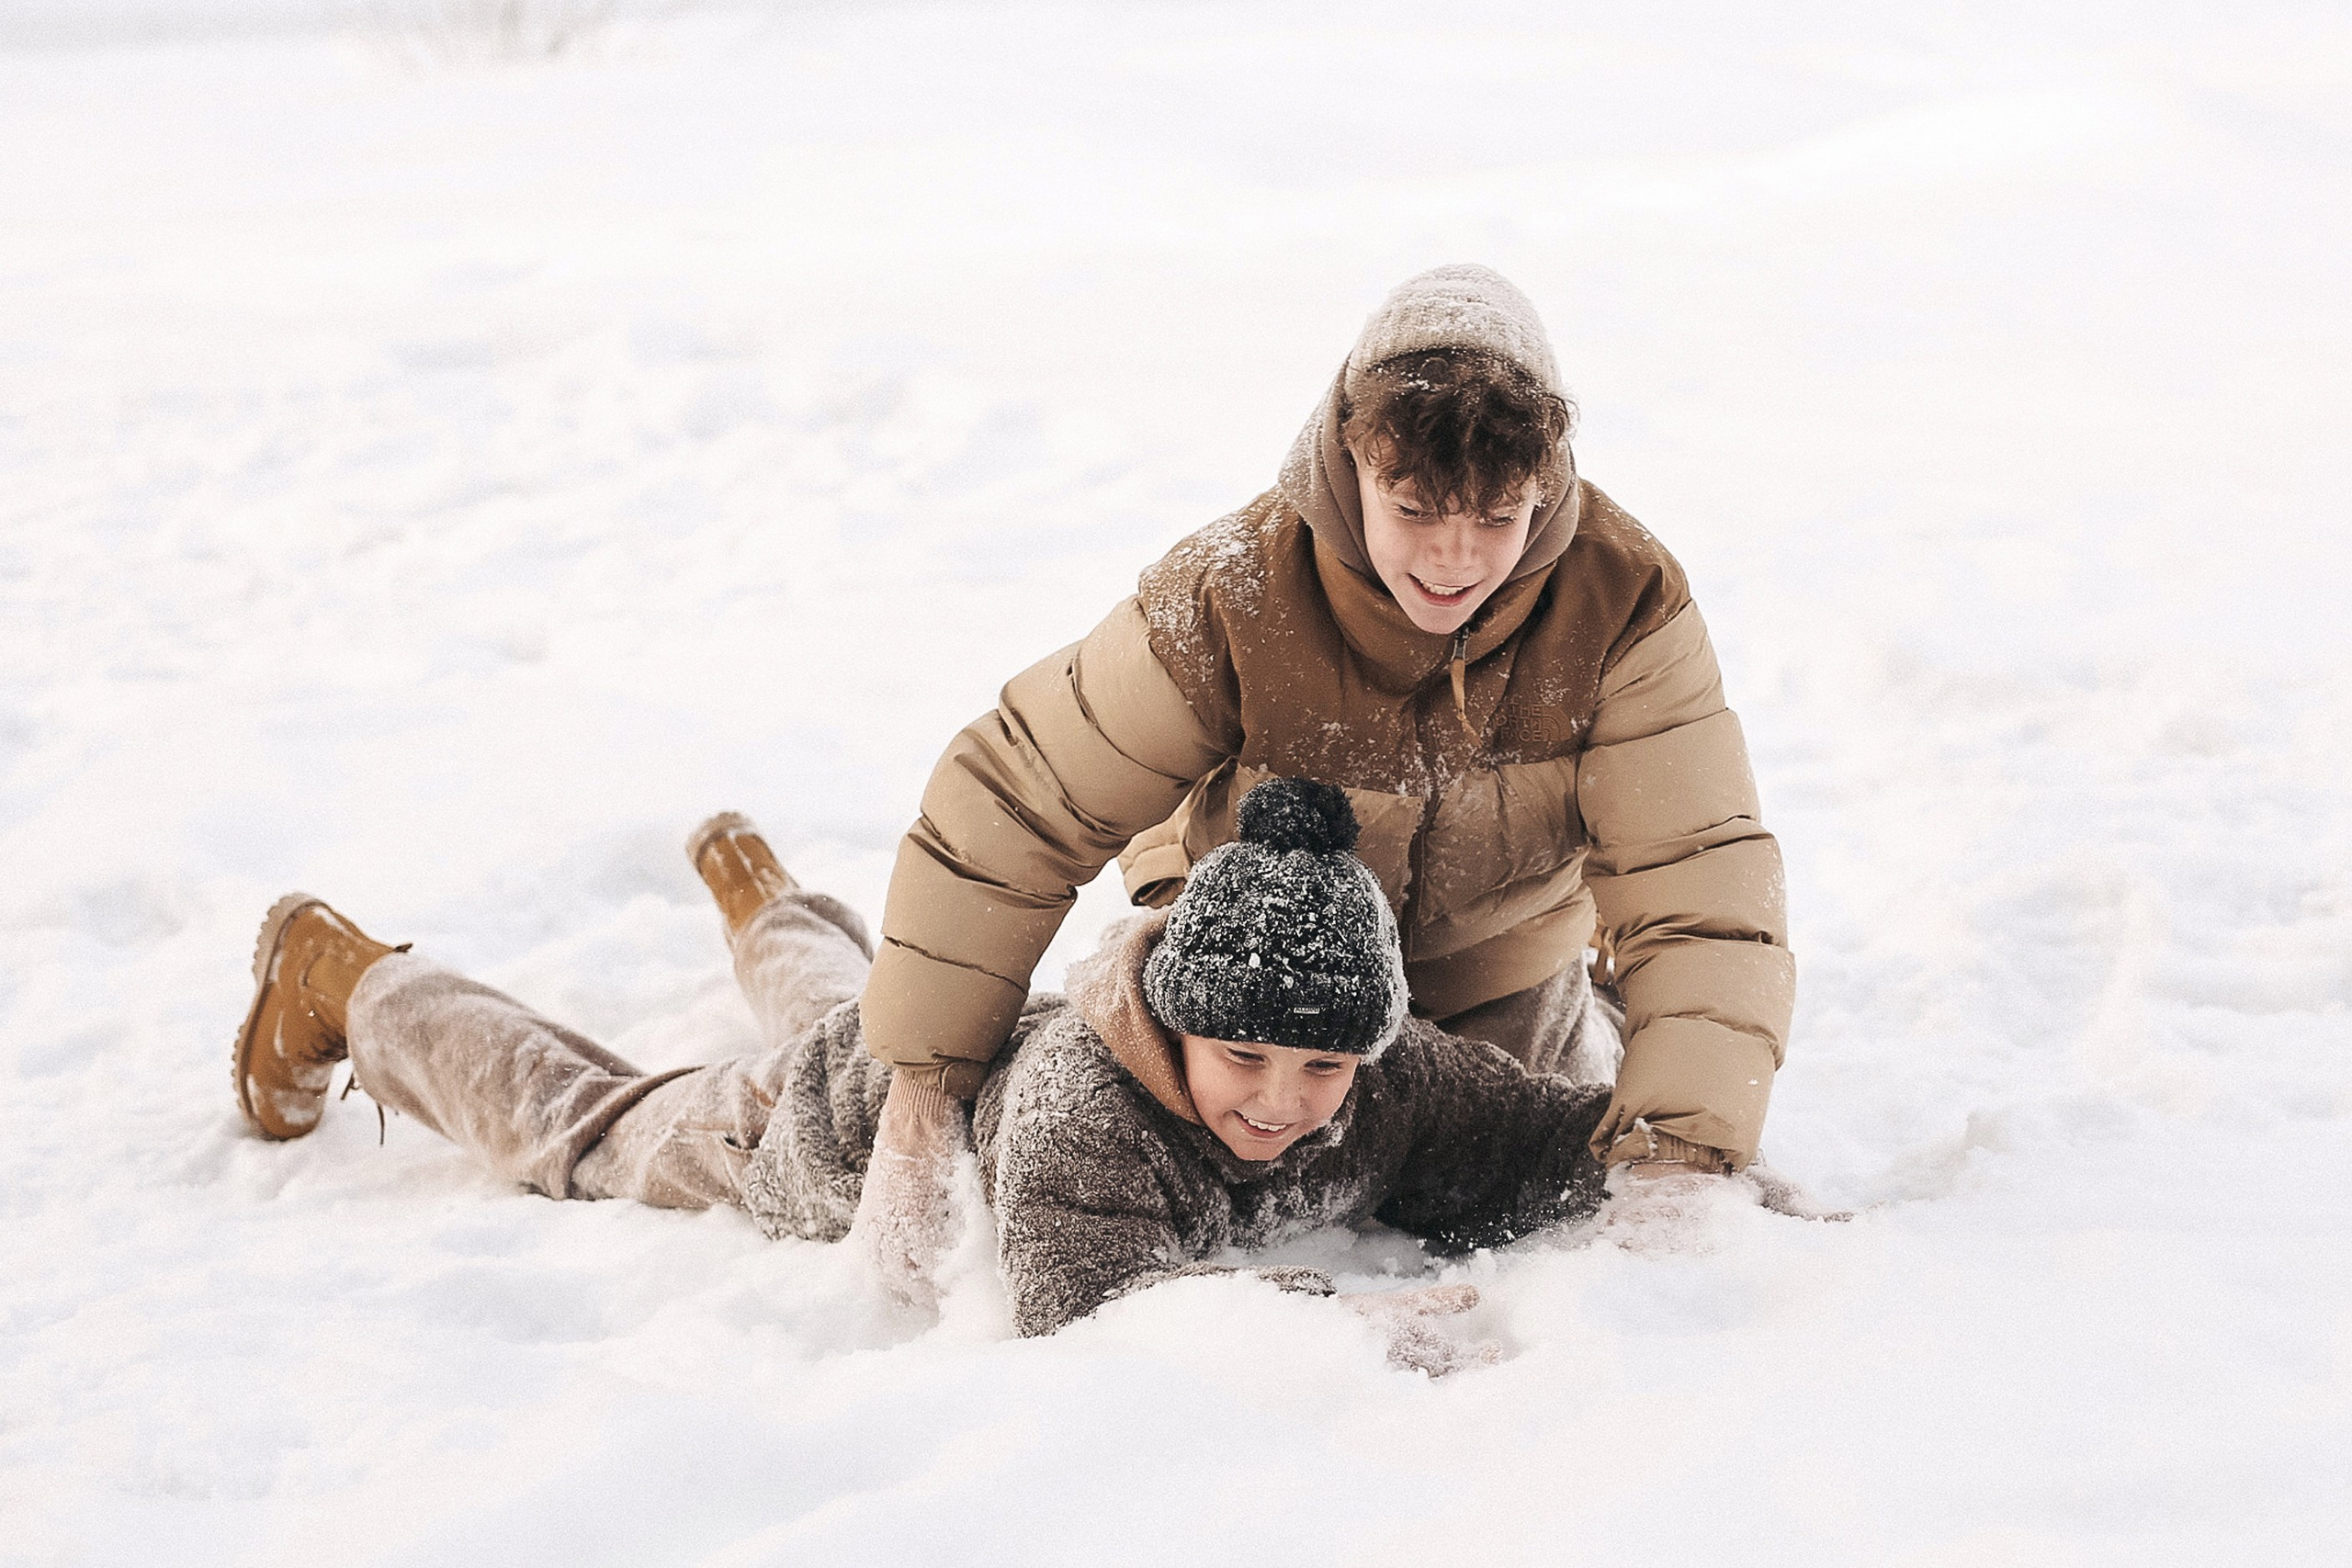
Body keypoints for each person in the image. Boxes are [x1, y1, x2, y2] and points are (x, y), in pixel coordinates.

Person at [852, 265, 1795, 1285]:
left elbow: (1701, 887)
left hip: (1493, 976)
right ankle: (785, 940)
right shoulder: (1234, 587)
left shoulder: (1623, 600)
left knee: (1501, 1183)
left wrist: (1681, 1158)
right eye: (1415, 512)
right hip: (1253, 969)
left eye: (1495, 517)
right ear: (1351, 465)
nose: (1453, 560)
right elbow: (1017, 803)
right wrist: (918, 1094)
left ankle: (1598, 1012)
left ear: (1546, 481)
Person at [230, 780, 1615, 1360]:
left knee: (850, 1000)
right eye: (1240, 1052)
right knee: (589, 1127)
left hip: (929, 1056)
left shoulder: (1391, 1080)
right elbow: (1093, 1300)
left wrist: (1693, 1160)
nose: (1279, 1095)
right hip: (813, 1132)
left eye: (1322, 1063)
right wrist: (1353, 1322)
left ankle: (764, 895)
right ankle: (352, 983)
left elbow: (1562, 1136)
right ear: (1174, 1017)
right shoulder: (1090, 1107)